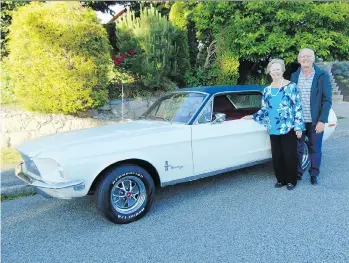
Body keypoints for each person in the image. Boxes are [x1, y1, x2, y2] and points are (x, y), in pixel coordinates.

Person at [243, 59, 304, 190]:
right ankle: (281, 179)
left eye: (278, 69)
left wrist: (299, 127)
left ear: (282, 70)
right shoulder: (267, 90)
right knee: (277, 155)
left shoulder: (291, 86)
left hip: (288, 126)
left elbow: (297, 107)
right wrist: (253, 116)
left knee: (289, 155)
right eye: (273, 69)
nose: (275, 71)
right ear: (269, 72)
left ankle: (291, 181)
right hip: (273, 127)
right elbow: (265, 109)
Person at [291, 48, 332, 185]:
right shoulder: (294, 76)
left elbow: (327, 100)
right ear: (298, 60)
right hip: (299, 121)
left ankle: (314, 174)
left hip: (315, 121)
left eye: (308, 56)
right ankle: (298, 173)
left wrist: (322, 120)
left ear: (313, 59)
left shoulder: (322, 75)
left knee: (315, 149)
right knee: (297, 148)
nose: (305, 59)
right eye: (302, 56)